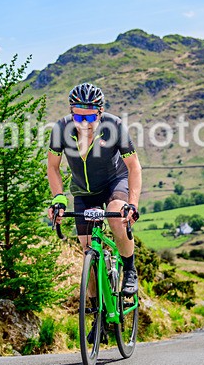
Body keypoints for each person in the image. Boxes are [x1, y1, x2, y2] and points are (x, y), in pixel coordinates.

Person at [46, 82, 142, 300]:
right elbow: (52, 167)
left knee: (118, 217)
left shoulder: (114, 126)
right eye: (78, 117)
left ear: (100, 112)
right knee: (87, 249)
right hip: (83, 191)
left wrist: (133, 205)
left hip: (114, 183)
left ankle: (129, 269)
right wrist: (58, 199)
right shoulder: (62, 128)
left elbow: (134, 166)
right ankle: (95, 309)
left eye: (90, 118)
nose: (84, 124)